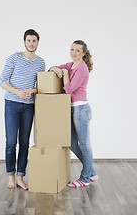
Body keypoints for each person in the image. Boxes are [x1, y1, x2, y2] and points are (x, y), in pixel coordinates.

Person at [0, 29, 45, 190]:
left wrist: (31, 91)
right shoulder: (14, 58)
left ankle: (20, 177)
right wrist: (18, 92)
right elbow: (2, 81)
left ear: (38, 43)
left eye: (34, 41)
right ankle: (10, 176)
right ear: (24, 42)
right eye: (29, 40)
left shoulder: (40, 62)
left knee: (24, 142)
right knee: (11, 142)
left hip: (28, 106)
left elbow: (41, 87)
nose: (32, 43)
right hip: (12, 103)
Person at [49, 40, 98, 187]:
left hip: (81, 109)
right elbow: (57, 67)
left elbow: (69, 89)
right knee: (71, 142)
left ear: (83, 53)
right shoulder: (72, 65)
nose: (73, 52)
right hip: (72, 109)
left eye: (77, 50)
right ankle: (92, 173)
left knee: (84, 145)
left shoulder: (81, 68)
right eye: (72, 49)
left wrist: (64, 74)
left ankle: (84, 179)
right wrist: (54, 68)